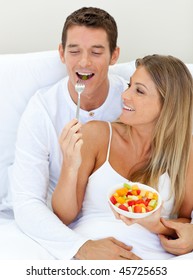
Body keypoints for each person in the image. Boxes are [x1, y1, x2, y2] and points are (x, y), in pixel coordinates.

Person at [11, 7, 141, 260]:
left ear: (114, 55)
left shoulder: (132, 97)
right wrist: (80, 247)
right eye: (74, 51)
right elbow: (26, 202)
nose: (84, 62)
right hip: (64, 223)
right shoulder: (42, 110)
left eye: (96, 51)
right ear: (61, 53)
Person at [51, 54, 193, 259]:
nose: (125, 95)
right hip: (91, 259)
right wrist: (70, 166)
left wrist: (156, 225)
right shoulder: (97, 135)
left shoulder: (185, 152)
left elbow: (184, 221)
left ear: (167, 105)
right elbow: (63, 216)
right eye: (129, 85)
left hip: (150, 261)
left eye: (139, 91)